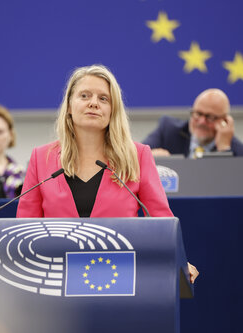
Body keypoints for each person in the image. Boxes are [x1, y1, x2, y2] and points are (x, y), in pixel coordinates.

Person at [16, 65, 198, 283]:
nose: (94, 102)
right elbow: (25, 228)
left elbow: (162, 221)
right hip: (55, 278)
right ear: (69, 107)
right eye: (84, 95)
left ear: (113, 110)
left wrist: (179, 261)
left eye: (104, 98)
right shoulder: (41, 157)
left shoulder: (138, 156)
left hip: (117, 278)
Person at [142, 89, 243, 157]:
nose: (202, 121)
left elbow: (231, 183)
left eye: (210, 117)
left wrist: (224, 149)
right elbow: (135, 156)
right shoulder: (168, 130)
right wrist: (150, 157)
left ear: (224, 121)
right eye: (198, 114)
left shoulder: (237, 151)